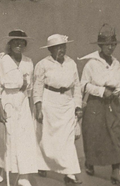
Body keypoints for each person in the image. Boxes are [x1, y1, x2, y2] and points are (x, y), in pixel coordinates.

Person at [0, 30, 44, 186]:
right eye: (15, 42)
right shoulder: (1, 62)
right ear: (10, 44)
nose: (18, 45)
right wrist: (0, 109)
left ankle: (23, 175)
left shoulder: (28, 62)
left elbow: (30, 88)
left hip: (23, 103)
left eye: (21, 42)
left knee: (25, 138)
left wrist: (30, 105)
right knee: (4, 138)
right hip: (6, 101)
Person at [80, 24, 120, 185]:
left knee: (115, 135)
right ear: (100, 45)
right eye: (107, 44)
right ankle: (90, 162)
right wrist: (101, 91)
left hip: (113, 103)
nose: (110, 47)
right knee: (94, 134)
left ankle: (116, 171)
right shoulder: (91, 64)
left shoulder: (116, 63)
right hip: (96, 104)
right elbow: (83, 85)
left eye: (113, 44)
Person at [33, 34, 83, 184]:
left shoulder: (71, 63)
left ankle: (70, 174)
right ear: (50, 49)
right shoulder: (42, 64)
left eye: (63, 47)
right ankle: (42, 164)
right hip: (49, 100)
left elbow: (77, 86)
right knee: (47, 138)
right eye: (57, 47)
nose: (61, 50)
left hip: (67, 102)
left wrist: (78, 106)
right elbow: (37, 87)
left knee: (68, 139)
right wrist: (38, 107)